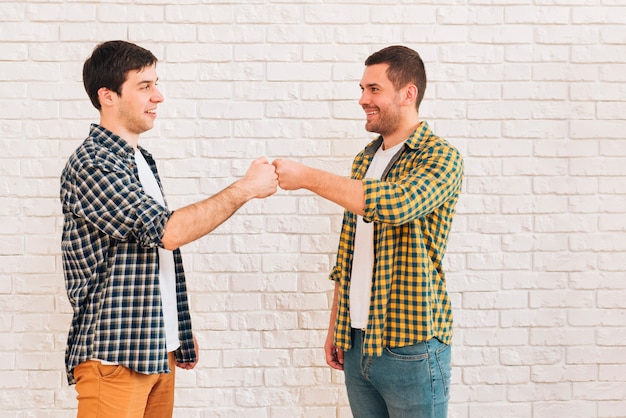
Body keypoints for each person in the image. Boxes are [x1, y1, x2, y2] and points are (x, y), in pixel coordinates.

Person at [60, 40, 278, 418]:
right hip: (114, 354)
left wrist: (175, 326)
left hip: (155, 347)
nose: (158, 96)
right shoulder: (93, 163)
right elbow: (169, 232)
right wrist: (244, 189)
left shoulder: (142, 160)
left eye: (155, 84)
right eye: (144, 86)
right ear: (107, 95)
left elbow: (150, 255)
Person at [273, 45, 463, 417]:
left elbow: (396, 204)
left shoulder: (440, 157)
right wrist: (336, 326)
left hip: (412, 346)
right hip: (358, 342)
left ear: (408, 93)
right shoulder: (365, 158)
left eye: (373, 89)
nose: (362, 99)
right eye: (362, 89)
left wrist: (307, 177)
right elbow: (349, 255)